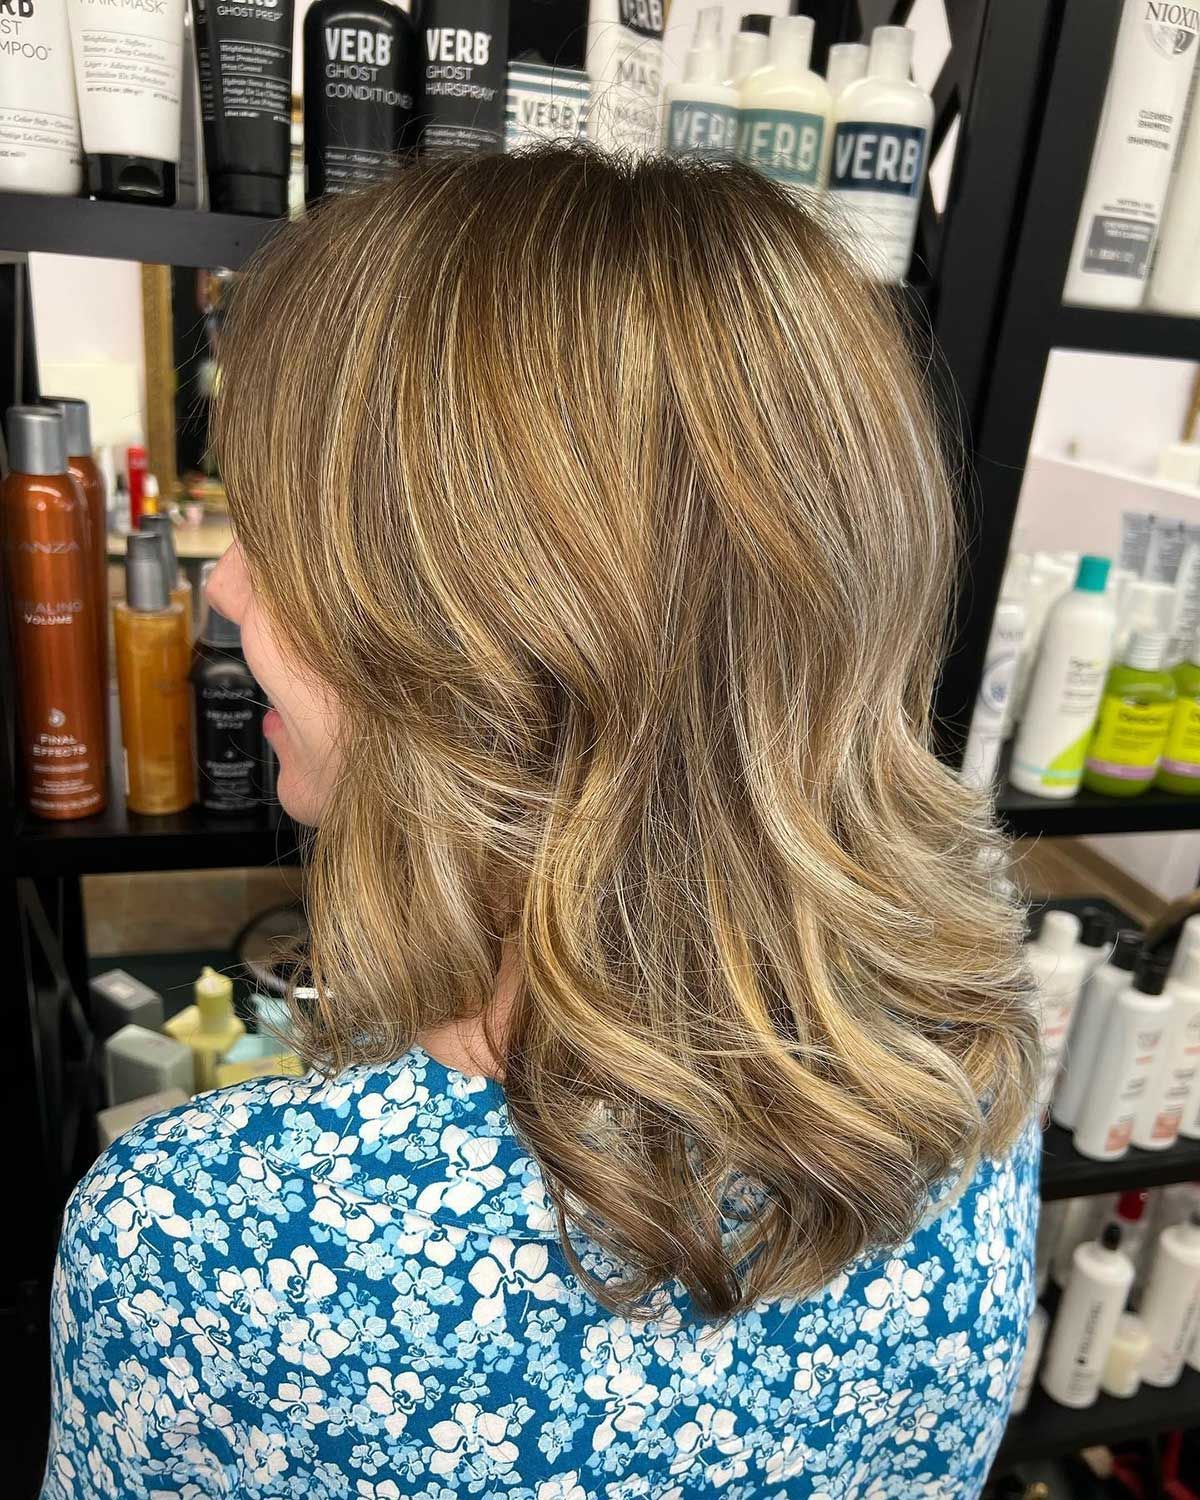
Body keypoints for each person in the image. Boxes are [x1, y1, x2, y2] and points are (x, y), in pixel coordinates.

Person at [43, 147, 1039, 1500]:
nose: (226, 591)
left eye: (279, 535)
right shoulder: (966, 1079)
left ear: (474, 637)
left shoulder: (205, 1243)